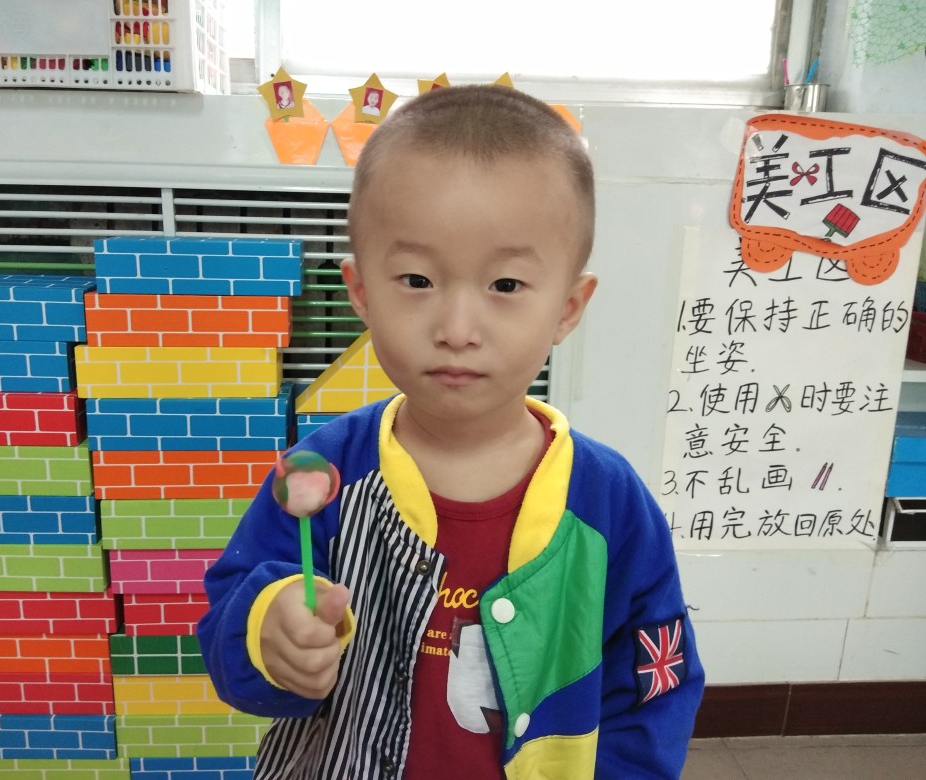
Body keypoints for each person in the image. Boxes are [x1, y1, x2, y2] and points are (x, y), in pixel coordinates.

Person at [198, 84, 704, 780]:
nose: (457, 329)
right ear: (361, 293)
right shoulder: (320, 474)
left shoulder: (609, 503)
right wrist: (268, 631)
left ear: (568, 307)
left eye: (505, 286)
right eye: (416, 279)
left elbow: (653, 686)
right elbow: (232, 626)